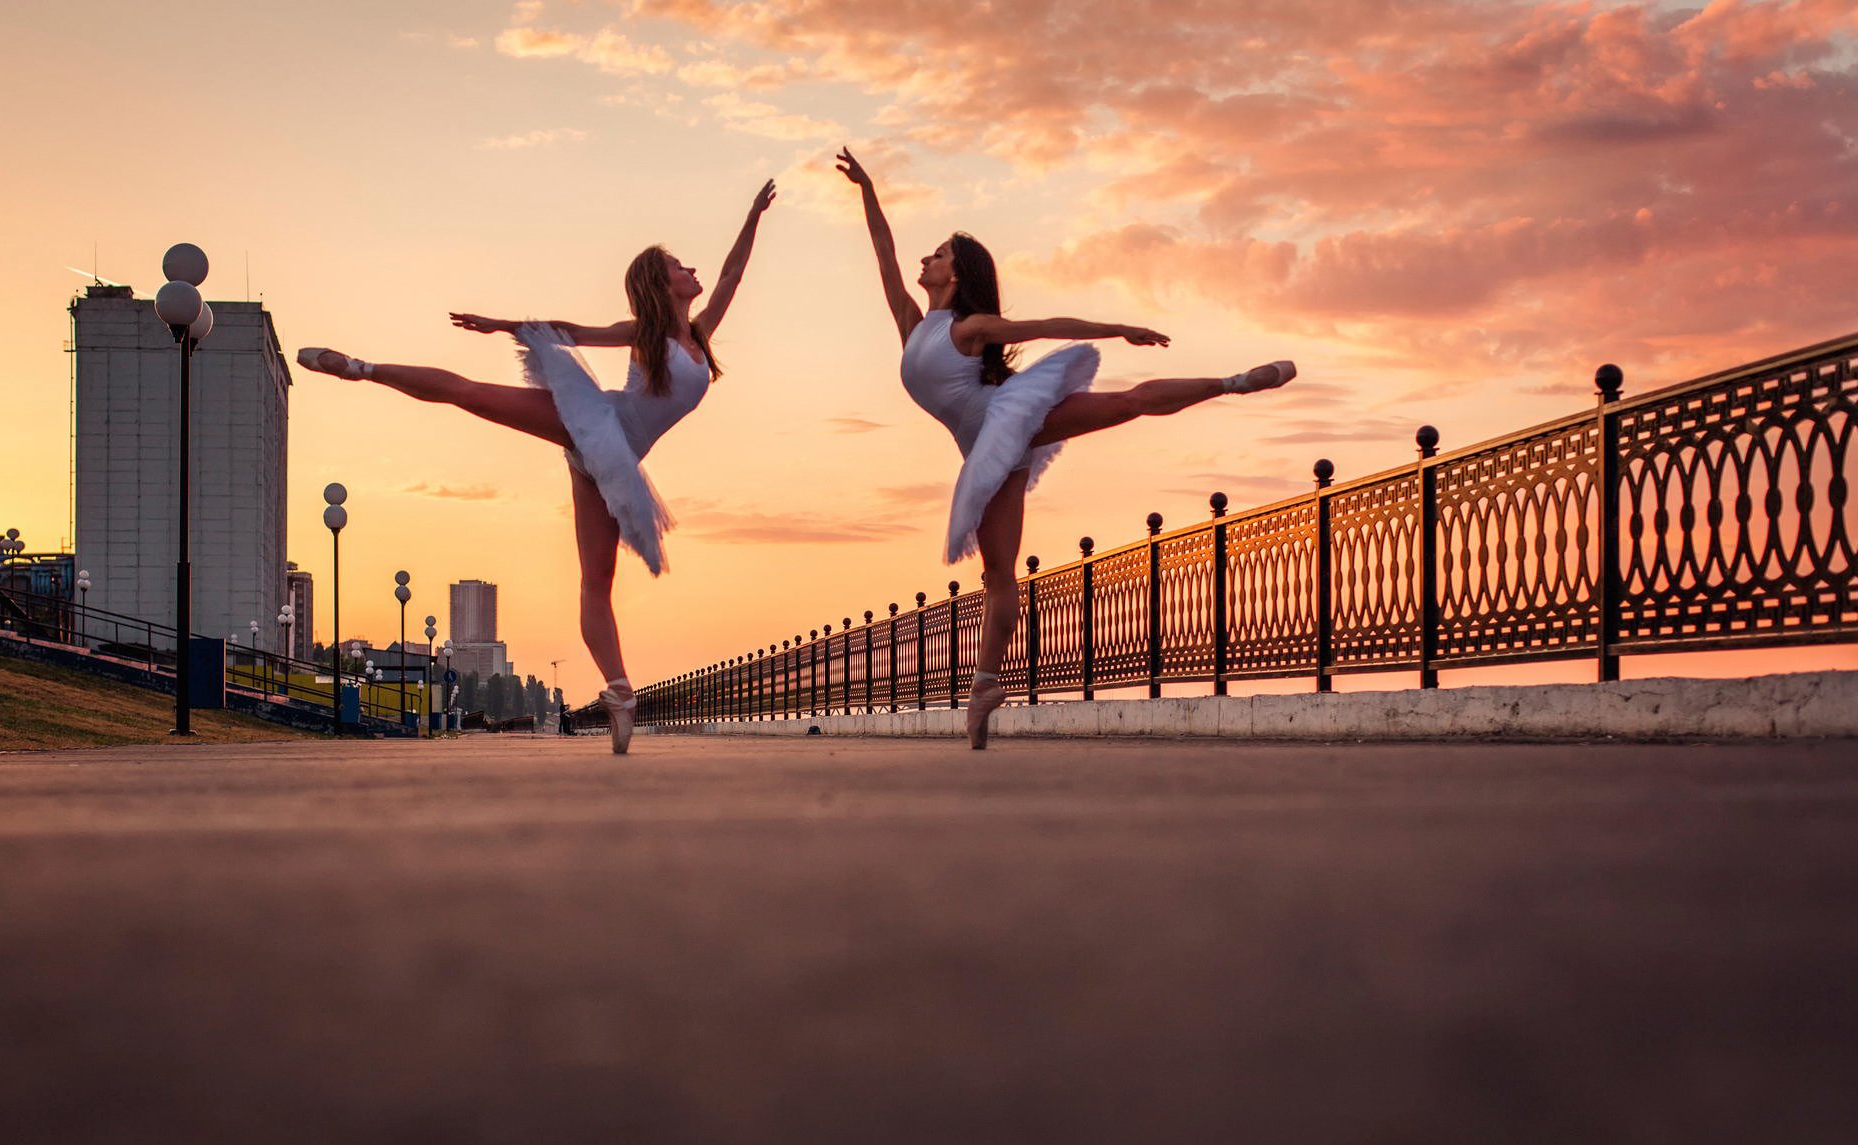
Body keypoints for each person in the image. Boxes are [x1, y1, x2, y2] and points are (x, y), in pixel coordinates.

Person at [835, 147, 1294, 749]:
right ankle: (985, 689)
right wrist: (867, 188)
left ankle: (1235, 382)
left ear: (957, 275)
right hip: (987, 451)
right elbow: (883, 251)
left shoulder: (968, 330)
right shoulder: (913, 323)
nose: (927, 257)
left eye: (940, 253)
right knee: (998, 574)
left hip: (1006, 419)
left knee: (1126, 403)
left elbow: (1049, 326)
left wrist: (1118, 329)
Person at [298, 180, 778, 753]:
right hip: (596, 423)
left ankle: (619, 690)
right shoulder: (643, 335)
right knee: (472, 394)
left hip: (616, 462)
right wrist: (504, 325)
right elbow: (571, 333)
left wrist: (752, 214)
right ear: (660, 282)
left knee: (597, 582)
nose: (692, 269)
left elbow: (732, 276)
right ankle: (360, 366)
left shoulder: (700, 334)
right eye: (679, 265)